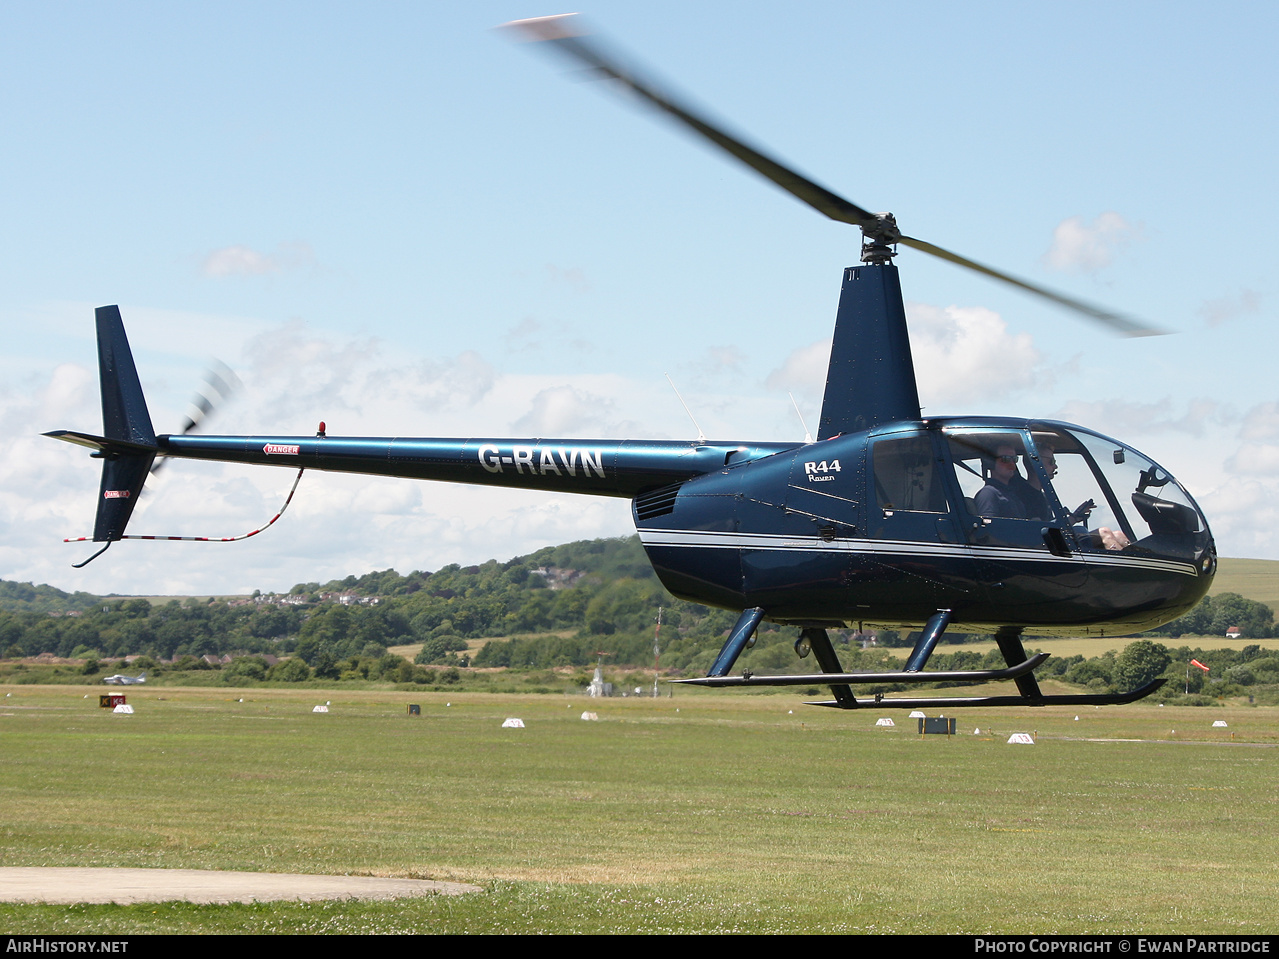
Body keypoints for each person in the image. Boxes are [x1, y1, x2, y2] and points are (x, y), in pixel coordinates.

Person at [973, 444, 1028, 518]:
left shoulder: (1011, 494)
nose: (1012, 464)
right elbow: (989, 527)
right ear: (991, 462)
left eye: (1014, 459)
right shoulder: (988, 493)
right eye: (1005, 459)